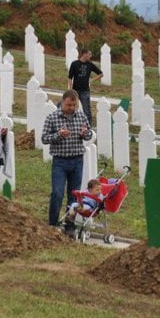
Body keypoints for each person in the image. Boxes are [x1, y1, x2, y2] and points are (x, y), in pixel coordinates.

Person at [42, 89, 93, 230]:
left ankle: (69, 223)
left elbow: (89, 134)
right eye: (68, 105)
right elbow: (44, 138)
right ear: (63, 102)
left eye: (74, 105)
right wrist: (59, 135)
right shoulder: (52, 118)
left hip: (77, 160)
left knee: (74, 194)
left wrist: (85, 134)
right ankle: (52, 224)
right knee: (57, 193)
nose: (71, 108)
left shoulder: (82, 116)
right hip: (60, 161)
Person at [67, 48, 103, 125]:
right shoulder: (74, 64)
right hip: (75, 91)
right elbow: (70, 77)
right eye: (89, 54)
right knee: (72, 108)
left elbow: (101, 74)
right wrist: (70, 90)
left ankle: (88, 125)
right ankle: (72, 124)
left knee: (86, 109)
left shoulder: (90, 64)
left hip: (85, 91)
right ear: (84, 54)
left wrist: (91, 80)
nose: (91, 56)